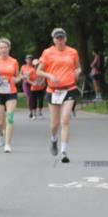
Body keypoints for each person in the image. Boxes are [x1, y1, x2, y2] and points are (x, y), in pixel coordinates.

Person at [37, 28, 81, 163]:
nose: (60, 40)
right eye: (57, 38)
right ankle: (54, 140)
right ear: (53, 39)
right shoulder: (47, 52)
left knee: (65, 119)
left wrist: (77, 73)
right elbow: (39, 71)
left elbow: (78, 67)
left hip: (69, 89)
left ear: (65, 39)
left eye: (62, 38)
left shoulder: (72, 52)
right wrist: (49, 75)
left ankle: (64, 151)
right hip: (53, 90)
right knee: (54, 123)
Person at [0, 38, 22, 153]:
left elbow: (18, 77)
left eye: (5, 47)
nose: (3, 49)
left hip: (11, 93)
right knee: (0, 121)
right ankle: (0, 133)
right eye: (1, 47)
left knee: (10, 118)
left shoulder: (14, 61)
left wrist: (15, 79)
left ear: (9, 48)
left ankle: (8, 144)